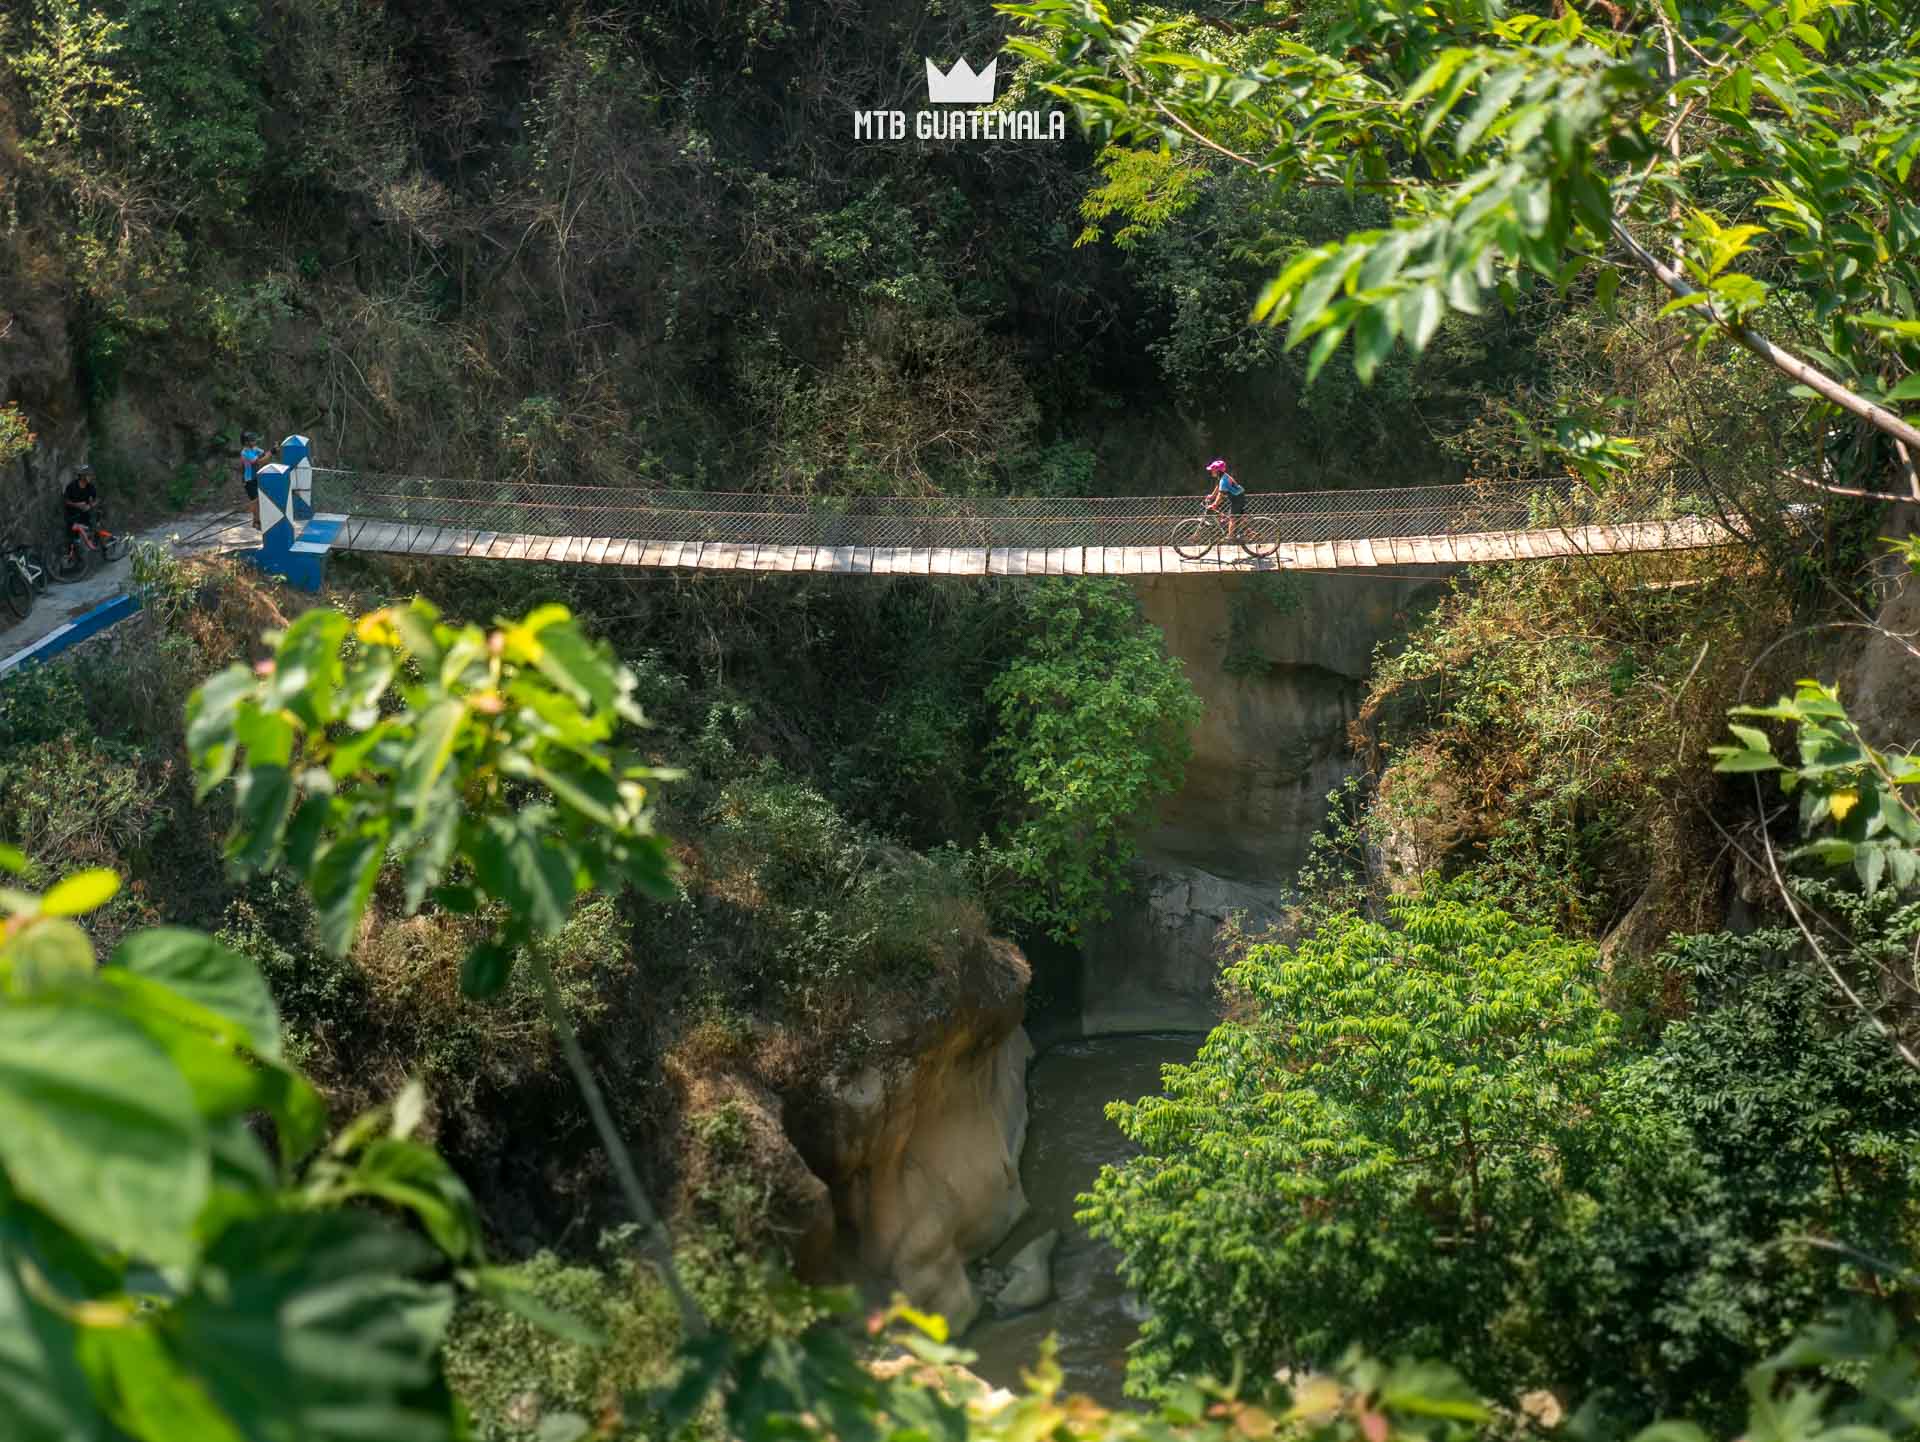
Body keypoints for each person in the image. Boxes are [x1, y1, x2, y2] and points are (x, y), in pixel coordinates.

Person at [1204, 457, 1246, 541]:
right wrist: (1212, 496)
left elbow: (1221, 495)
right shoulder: (1222, 477)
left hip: (1237, 499)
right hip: (1236, 497)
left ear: (1218, 471)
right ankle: (1243, 532)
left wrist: (1214, 504)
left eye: (1213, 470)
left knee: (1232, 517)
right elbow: (1218, 487)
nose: (1211, 471)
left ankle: (1230, 537)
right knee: (1235, 518)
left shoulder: (1224, 480)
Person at [62, 463, 99, 555]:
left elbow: (96, 500)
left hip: (85, 514)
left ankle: (92, 545)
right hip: (72, 514)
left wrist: (89, 506)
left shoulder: (90, 487)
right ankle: (75, 556)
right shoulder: (72, 486)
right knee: (72, 538)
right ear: (82, 476)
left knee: (89, 530)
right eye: (88, 475)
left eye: (91, 475)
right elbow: (66, 501)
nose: (90, 477)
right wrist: (76, 504)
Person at [239, 431, 267, 527]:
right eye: (252, 440)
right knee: (254, 501)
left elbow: (263, 454)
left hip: (256, 477)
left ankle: (256, 521)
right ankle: (256, 522)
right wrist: (271, 453)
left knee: (258, 500)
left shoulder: (254, 449)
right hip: (249, 479)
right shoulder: (245, 452)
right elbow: (259, 461)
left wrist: (273, 449)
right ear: (246, 442)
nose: (254, 441)